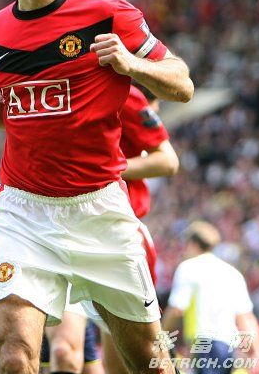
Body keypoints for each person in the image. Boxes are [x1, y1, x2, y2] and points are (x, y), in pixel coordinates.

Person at [0, 0, 193, 374]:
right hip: (25, 211)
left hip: (99, 208)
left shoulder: (109, 13)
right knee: (15, 356)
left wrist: (132, 64)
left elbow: (182, 84)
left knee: (150, 362)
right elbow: (23, 115)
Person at [100, 84, 179, 374]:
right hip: (72, 233)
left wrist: (104, 169)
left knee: (133, 359)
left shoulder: (126, 95)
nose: (155, 111)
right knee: (69, 350)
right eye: (156, 104)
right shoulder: (117, 93)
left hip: (118, 238)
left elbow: (168, 160)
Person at [162, 221, 259, 374]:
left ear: (192, 244)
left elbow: (177, 309)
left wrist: (161, 334)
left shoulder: (189, 268)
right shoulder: (233, 273)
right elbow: (246, 317)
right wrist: (258, 350)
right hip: (229, 346)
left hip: (204, 343)